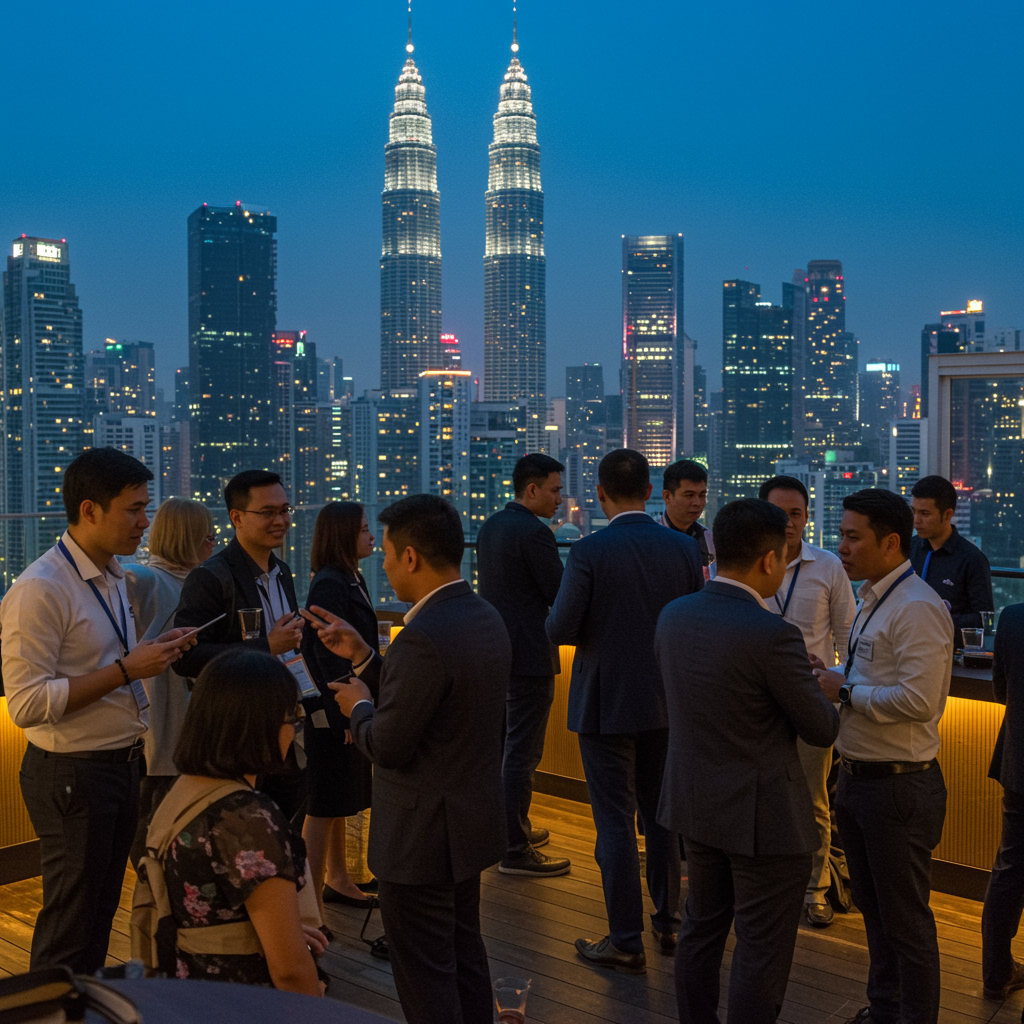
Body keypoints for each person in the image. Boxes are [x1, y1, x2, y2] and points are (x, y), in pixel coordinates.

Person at [302, 494, 511, 1024]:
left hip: (420, 836)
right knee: (464, 953)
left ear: (412, 557)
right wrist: (364, 656)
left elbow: (388, 744)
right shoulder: (483, 615)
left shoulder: (422, 637)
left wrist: (359, 706)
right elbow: (433, 703)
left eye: (389, 554)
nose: (386, 564)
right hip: (467, 822)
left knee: (425, 974)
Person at [0, 447, 196, 972]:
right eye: (134, 509)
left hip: (121, 763)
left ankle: (79, 1003)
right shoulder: (40, 589)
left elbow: (109, 658)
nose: (144, 522)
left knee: (98, 911)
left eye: (145, 508)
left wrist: (153, 650)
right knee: (71, 923)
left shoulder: (113, 575)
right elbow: (27, 704)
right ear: (89, 510)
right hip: (73, 773)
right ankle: (48, 1006)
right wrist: (128, 670)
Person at [656, 498, 840, 1024]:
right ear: (768, 559)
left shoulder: (674, 615)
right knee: (761, 944)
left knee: (701, 927)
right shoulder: (773, 634)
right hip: (764, 816)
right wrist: (820, 687)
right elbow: (820, 729)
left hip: (695, 800)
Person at [546, 448, 704, 973]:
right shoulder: (684, 548)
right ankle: (671, 922)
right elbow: (693, 618)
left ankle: (625, 939)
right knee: (663, 818)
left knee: (614, 823)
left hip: (605, 702)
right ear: (652, 492)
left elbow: (560, 628)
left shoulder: (589, 551)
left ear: (599, 494)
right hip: (666, 701)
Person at [812, 488, 953, 1024]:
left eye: (853, 537)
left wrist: (844, 691)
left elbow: (920, 701)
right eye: (841, 535)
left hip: (899, 787)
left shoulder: (917, 607)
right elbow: (871, 675)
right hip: (858, 778)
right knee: (874, 912)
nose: (842, 547)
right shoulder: (874, 598)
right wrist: (833, 676)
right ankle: (885, 1009)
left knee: (906, 922)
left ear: (891, 542)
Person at [164, 647, 326, 993]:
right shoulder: (247, 820)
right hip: (244, 1000)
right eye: (293, 716)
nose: (294, 729)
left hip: (187, 990)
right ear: (260, 725)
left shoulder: (185, 792)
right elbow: (290, 971)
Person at [174, 470, 306, 819]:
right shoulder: (210, 577)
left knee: (287, 825)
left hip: (285, 728)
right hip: (239, 736)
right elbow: (185, 659)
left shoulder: (282, 572)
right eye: (268, 512)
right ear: (237, 517)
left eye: (285, 510)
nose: (280, 520)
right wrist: (267, 646)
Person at [759, 474, 856, 927]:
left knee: (814, 800)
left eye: (796, 513)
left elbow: (849, 640)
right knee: (761, 797)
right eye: (778, 513)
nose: (788, 522)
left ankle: (815, 889)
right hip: (757, 705)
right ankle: (766, 885)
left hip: (810, 702)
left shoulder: (828, 566)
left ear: (807, 517)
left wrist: (832, 678)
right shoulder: (748, 563)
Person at [477, 452, 571, 877]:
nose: (559, 500)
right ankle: (515, 849)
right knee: (522, 753)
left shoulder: (491, 526)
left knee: (503, 747)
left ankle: (508, 830)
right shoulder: (534, 532)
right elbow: (559, 593)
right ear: (531, 489)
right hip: (530, 655)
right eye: (554, 490)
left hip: (497, 651)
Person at [126, 497, 216, 865]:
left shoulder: (196, 583)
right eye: (207, 537)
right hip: (160, 725)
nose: (213, 545)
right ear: (187, 538)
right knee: (155, 833)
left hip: (183, 723)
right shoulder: (149, 580)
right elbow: (124, 578)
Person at [299, 502, 377, 914]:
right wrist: (343, 710)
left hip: (344, 703)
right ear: (344, 534)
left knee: (337, 799)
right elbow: (324, 653)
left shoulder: (348, 577)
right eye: (363, 529)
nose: (371, 536)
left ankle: (338, 878)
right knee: (324, 802)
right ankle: (310, 904)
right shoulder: (331, 583)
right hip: (335, 707)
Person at [981, 601, 1024, 1002]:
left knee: (1009, 869)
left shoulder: (1012, 618)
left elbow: (1001, 691)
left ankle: (996, 974)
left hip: (1020, 764)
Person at [909, 474, 993, 633]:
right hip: (907, 638)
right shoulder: (910, 548)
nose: (916, 520)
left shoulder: (971, 559)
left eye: (924, 514)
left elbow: (983, 619)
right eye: (913, 512)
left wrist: (934, 620)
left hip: (949, 643)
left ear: (947, 515)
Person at [657, 459, 716, 579]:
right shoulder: (652, 538)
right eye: (689, 495)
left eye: (702, 495)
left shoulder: (710, 540)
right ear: (667, 496)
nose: (697, 503)